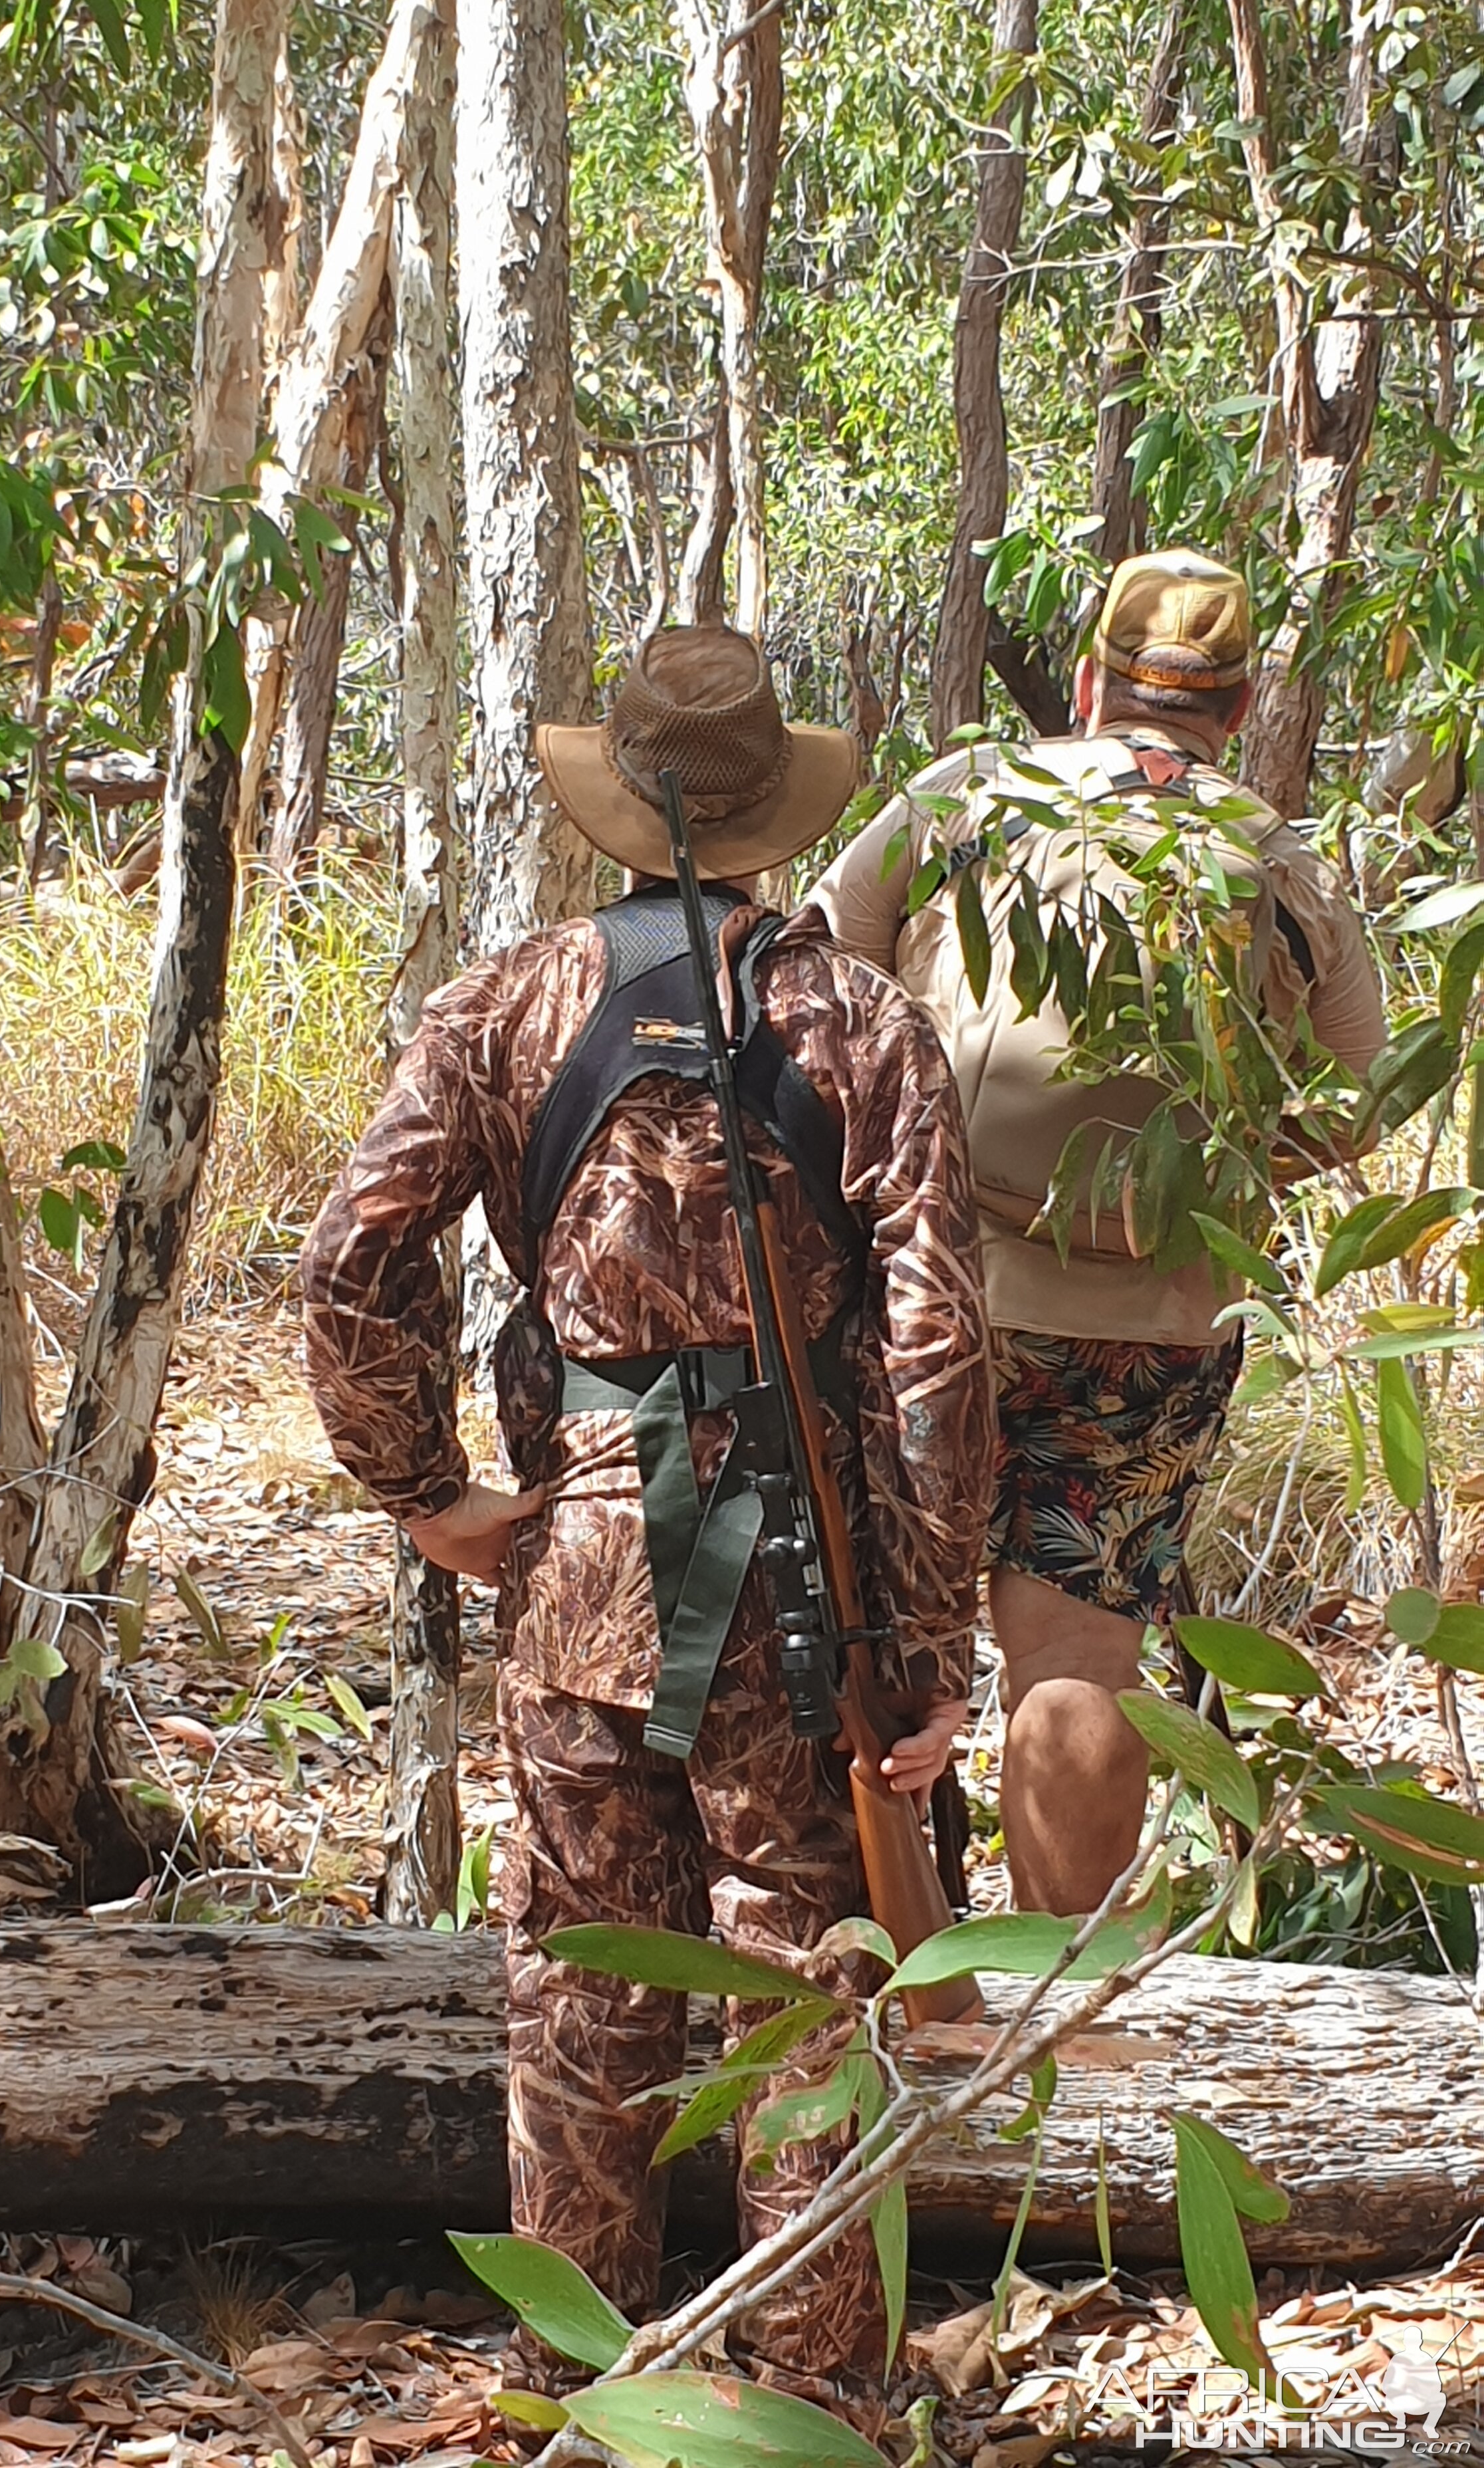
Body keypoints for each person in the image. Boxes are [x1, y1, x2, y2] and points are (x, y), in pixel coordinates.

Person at [300, 628, 995, 2396]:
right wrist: (925, 1634)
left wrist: (434, 1496)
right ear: (772, 811)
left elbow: (351, 1270)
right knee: (799, 1988)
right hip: (799, 1574)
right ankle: (815, 2405)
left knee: (584, 1991)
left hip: (590, 1560)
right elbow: (938, 1341)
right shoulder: (857, 1020)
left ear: (623, 806)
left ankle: (573, 2393)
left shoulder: (505, 1005)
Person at [818, 550, 1386, 1916]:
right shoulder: (1274, 856)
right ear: (1238, 712)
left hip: (924, 1282)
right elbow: (1363, 1092)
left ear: (1087, 684)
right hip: (1148, 1322)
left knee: (874, 1624)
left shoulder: (966, 801)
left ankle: (886, 1991)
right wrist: (1224, 1180)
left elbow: (820, 957)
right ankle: (1056, 2025)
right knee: (1079, 1656)